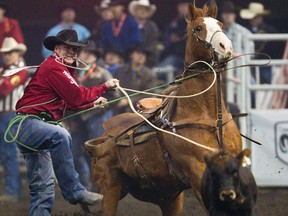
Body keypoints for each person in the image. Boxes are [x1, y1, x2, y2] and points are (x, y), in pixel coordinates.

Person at [10, 29, 119, 216]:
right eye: (67, 48)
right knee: (60, 134)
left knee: (43, 189)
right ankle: (73, 190)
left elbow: (69, 102)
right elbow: (76, 97)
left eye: (74, 50)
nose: (71, 53)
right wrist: (104, 87)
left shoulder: (56, 68)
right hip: (29, 125)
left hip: (32, 129)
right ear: (57, 49)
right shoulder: (55, 68)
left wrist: (92, 102)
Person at [68, 40, 116, 190]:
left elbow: (115, 97)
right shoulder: (71, 73)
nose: (87, 55)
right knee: (75, 152)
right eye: (84, 52)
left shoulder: (103, 72)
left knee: (97, 152)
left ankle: (98, 183)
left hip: (97, 117)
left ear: (96, 57)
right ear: (79, 54)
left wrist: (98, 108)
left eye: (91, 53)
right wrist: (70, 120)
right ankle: (85, 183)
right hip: (78, 119)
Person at [0, 37, 27, 202]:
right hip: (4, 114)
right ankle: (15, 190)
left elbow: (5, 89)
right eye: (5, 53)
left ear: (18, 53)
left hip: (11, 115)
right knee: (5, 153)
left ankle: (13, 191)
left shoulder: (20, 70)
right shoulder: (5, 70)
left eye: (10, 53)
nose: (7, 56)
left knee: (9, 152)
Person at [240, 2, 282, 84]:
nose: (254, 19)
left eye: (257, 17)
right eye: (253, 17)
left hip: (265, 63)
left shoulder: (269, 30)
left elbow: (277, 47)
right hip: (249, 64)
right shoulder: (244, 30)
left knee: (266, 85)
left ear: (261, 17)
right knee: (248, 84)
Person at [113, 44, 157, 115]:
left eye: (143, 54)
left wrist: (128, 100)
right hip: (118, 110)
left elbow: (150, 95)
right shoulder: (119, 71)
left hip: (140, 113)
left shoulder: (149, 74)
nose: (141, 56)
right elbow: (112, 89)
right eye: (138, 53)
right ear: (131, 55)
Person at [159, 0, 189, 73]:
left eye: (185, 6)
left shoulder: (195, 22)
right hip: (175, 56)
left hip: (191, 59)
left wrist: (181, 38)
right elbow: (166, 41)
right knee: (159, 71)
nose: (183, 8)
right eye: (181, 6)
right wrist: (171, 40)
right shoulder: (174, 23)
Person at [128, 0, 160, 67]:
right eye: (140, 9)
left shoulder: (152, 27)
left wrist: (140, 55)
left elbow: (151, 45)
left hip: (148, 60)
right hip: (129, 59)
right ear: (135, 11)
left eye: (145, 9)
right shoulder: (129, 25)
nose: (143, 11)